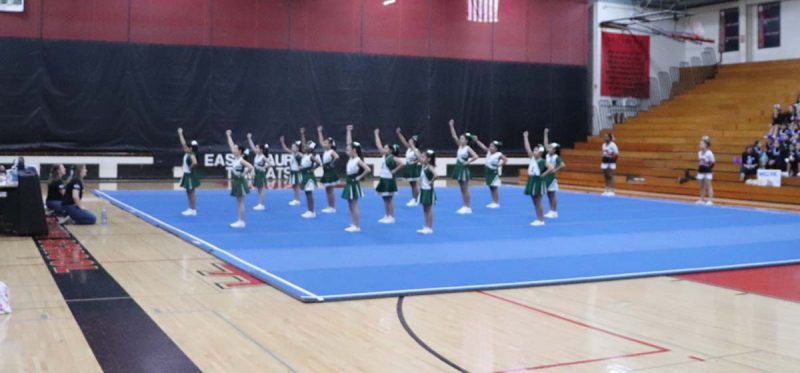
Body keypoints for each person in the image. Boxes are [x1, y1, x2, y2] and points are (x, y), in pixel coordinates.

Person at [342, 125, 372, 232]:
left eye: (349, 149)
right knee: (350, 203)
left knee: (354, 204)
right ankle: (353, 223)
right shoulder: (351, 157)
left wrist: (359, 177)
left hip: (353, 182)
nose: (347, 150)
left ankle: (356, 225)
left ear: (354, 150)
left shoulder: (357, 159)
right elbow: (348, 143)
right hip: (349, 181)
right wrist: (348, 131)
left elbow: (368, 169)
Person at [373, 129, 405, 224]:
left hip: (389, 179)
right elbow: (378, 145)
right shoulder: (383, 156)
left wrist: (395, 170)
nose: (384, 149)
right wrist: (376, 134)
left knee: (389, 199)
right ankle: (386, 215)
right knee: (384, 198)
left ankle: (391, 216)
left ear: (390, 150)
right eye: (384, 148)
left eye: (386, 148)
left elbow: (402, 163)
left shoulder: (392, 157)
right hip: (383, 178)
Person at [447, 119, 479, 214]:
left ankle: (467, 207)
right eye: (460, 138)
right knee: (461, 188)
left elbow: (476, 156)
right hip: (458, 168)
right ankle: (464, 205)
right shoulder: (460, 146)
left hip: (464, 169)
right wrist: (451, 126)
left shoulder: (467, 148)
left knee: (465, 188)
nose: (460, 140)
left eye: (462, 139)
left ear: (466, 140)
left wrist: (468, 162)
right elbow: (454, 136)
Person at [407, 139, 437, 234]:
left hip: (428, 190)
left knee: (428, 209)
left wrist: (431, 182)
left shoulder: (429, 167)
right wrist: (412, 146)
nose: (421, 158)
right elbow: (418, 156)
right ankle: (426, 226)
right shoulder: (424, 165)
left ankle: (429, 227)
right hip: (423, 189)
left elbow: (436, 175)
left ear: (428, 159)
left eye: (424, 157)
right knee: (425, 209)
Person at [226, 130, 254, 228]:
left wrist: (244, 173)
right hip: (236, 181)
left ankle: (241, 221)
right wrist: (229, 136)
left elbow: (250, 167)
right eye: (233, 148)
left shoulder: (241, 160)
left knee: (241, 202)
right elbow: (231, 145)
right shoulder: (236, 158)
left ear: (239, 151)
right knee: (238, 201)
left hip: (240, 181)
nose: (233, 149)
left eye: (235, 148)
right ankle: (240, 220)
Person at [473, 136, 508, 208]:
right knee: (491, 187)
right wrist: (477, 141)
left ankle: (496, 202)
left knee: (495, 187)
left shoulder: (498, 154)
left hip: (493, 172)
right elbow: (482, 146)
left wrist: (500, 165)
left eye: (492, 146)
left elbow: (505, 159)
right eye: (490, 146)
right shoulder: (488, 152)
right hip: (488, 171)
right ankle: (493, 201)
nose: (490, 147)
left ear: (496, 148)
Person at [523, 131, 547, 226]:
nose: (534, 152)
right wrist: (525, 137)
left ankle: (541, 220)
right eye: (534, 150)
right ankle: (538, 218)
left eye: (536, 150)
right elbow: (527, 148)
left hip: (537, 181)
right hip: (531, 180)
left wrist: (543, 175)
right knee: (534, 201)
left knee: (538, 201)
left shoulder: (542, 161)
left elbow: (551, 168)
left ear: (541, 152)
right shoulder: (533, 158)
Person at [542, 128, 566, 219]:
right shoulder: (548, 155)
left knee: (552, 195)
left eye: (551, 147)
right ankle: (551, 210)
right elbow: (545, 144)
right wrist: (545, 133)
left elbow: (563, 164)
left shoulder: (556, 157)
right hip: (547, 176)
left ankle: (554, 211)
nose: (549, 148)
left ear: (555, 150)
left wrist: (555, 170)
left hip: (551, 177)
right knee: (548, 194)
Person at [298, 127, 321, 218]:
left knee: (309, 193)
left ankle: (311, 211)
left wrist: (313, 169)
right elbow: (303, 143)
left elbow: (319, 163)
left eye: (307, 146)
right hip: (304, 175)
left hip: (309, 176)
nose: (305, 147)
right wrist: (302, 134)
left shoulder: (311, 156)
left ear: (311, 148)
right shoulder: (305, 155)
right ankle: (309, 210)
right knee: (307, 193)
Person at [247, 133, 273, 211]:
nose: (255, 149)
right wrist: (249, 138)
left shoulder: (263, 157)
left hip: (261, 174)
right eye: (256, 148)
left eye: (257, 148)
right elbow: (252, 146)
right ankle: (259, 203)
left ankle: (262, 204)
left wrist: (263, 167)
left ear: (261, 150)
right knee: (258, 189)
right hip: (256, 174)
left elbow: (270, 164)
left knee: (261, 189)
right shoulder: (257, 155)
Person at [177, 128, 201, 216]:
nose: (186, 147)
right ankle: (190, 208)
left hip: (190, 175)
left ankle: (193, 209)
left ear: (191, 148)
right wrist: (180, 133)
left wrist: (190, 168)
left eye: (188, 146)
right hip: (187, 174)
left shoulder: (191, 154)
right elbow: (183, 144)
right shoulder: (188, 152)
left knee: (191, 192)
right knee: (188, 192)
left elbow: (195, 163)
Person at [317, 126, 340, 213]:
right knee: (327, 190)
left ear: (330, 145)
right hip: (326, 171)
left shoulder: (331, 151)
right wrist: (319, 132)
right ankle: (329, 206)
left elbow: (337, 157)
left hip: (329, 171)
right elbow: (320, 142)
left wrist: (331, 163)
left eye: (326, 143)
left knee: (330, 190)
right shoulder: (326, 151)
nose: (324, 144)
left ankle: (332, 207)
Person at [396, 128, 422, 207]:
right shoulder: (408, 148)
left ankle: (415, 199)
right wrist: (399, 133)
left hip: (413, 168)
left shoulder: (416, 150)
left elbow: (420, 158)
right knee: (411, 184)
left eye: (411, 140)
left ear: (414, 142)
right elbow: (403, 140)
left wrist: (414, 162)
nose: (409, 141)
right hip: (408, 167)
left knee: (414, 184)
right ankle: (415, 198)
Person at [279, 135, 302, 206]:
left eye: (294, 147)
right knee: (294, 186)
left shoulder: (299, 155)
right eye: (292, 147)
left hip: (297, 172)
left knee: (297, 186)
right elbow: (285, 148)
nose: (292, 148)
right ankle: (295, 199)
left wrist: (300, 167)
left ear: (297, 148)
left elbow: (304, 162)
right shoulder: (292, 153)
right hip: (292, 172)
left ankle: (297, 200)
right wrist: (282, 142)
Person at [696, 136, 715, 205]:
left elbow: (713, 163)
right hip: (701, 170)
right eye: (700, 144)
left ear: (706, 145)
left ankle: (710, 200)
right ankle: (701, 199)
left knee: (708, 185)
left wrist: (708, 168)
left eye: (701, 144)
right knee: (701, 186)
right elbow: (700, 162)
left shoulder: (709, 153)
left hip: (707, 170)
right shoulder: (699, 153)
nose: (700, 145)